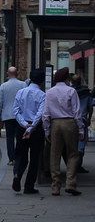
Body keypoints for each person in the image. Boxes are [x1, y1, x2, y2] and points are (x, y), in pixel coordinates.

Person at [42, 67, 84, 196]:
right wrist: (81, 129)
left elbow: (45, 114)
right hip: (70, 123)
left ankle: (55, 186)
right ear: (67, 78)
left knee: (54, 154)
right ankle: (71, 183)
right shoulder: (71, 91)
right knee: (72, 154)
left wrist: (47, 130)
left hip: (55, 123)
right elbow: (77, 112)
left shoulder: (49, 92)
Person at [11, 69, 46, 194]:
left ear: (30, 78)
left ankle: (17, 175)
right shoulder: (42, 95)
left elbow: (15, 111)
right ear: (42, 81)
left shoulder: (21, 92)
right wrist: (31, 128)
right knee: (35, 157)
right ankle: (29, 186)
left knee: (20, 154)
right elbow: (40, 114)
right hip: (36, 129)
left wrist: (25, 125)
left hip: (22, 128)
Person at [0, 67, 26, 166]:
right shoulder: (23, 84)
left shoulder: (3, 86)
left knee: (10, 138)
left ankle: (11, 159)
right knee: (20, 137)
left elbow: (0, 103)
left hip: (7, 115)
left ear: (7, 73)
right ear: (17, 73)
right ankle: (18, 157)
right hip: (20, 116)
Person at [72, 74, 92, 173]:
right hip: (83, 120)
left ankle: (72, 164)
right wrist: (89, 118)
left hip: (71, 120)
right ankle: (78, 164)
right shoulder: (87, 93)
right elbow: (90, 107)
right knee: (81, 143)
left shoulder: (70, 92)